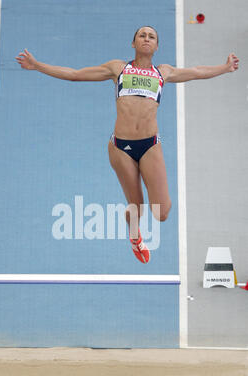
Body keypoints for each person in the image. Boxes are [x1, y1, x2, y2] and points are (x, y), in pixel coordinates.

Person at [15, 26, 239, 264]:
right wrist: (38, 65)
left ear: (157, 46)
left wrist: (224, 68)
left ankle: (138, 223)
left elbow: (196, 71)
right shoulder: (119, 68)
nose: (146, 38)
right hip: (121, 147)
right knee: (136, 207)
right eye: (142, 35)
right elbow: (75, 73)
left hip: (150, 145)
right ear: (133, 43)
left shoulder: (164, 72)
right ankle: (135, 236)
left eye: (151, 36)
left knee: (161, 213)